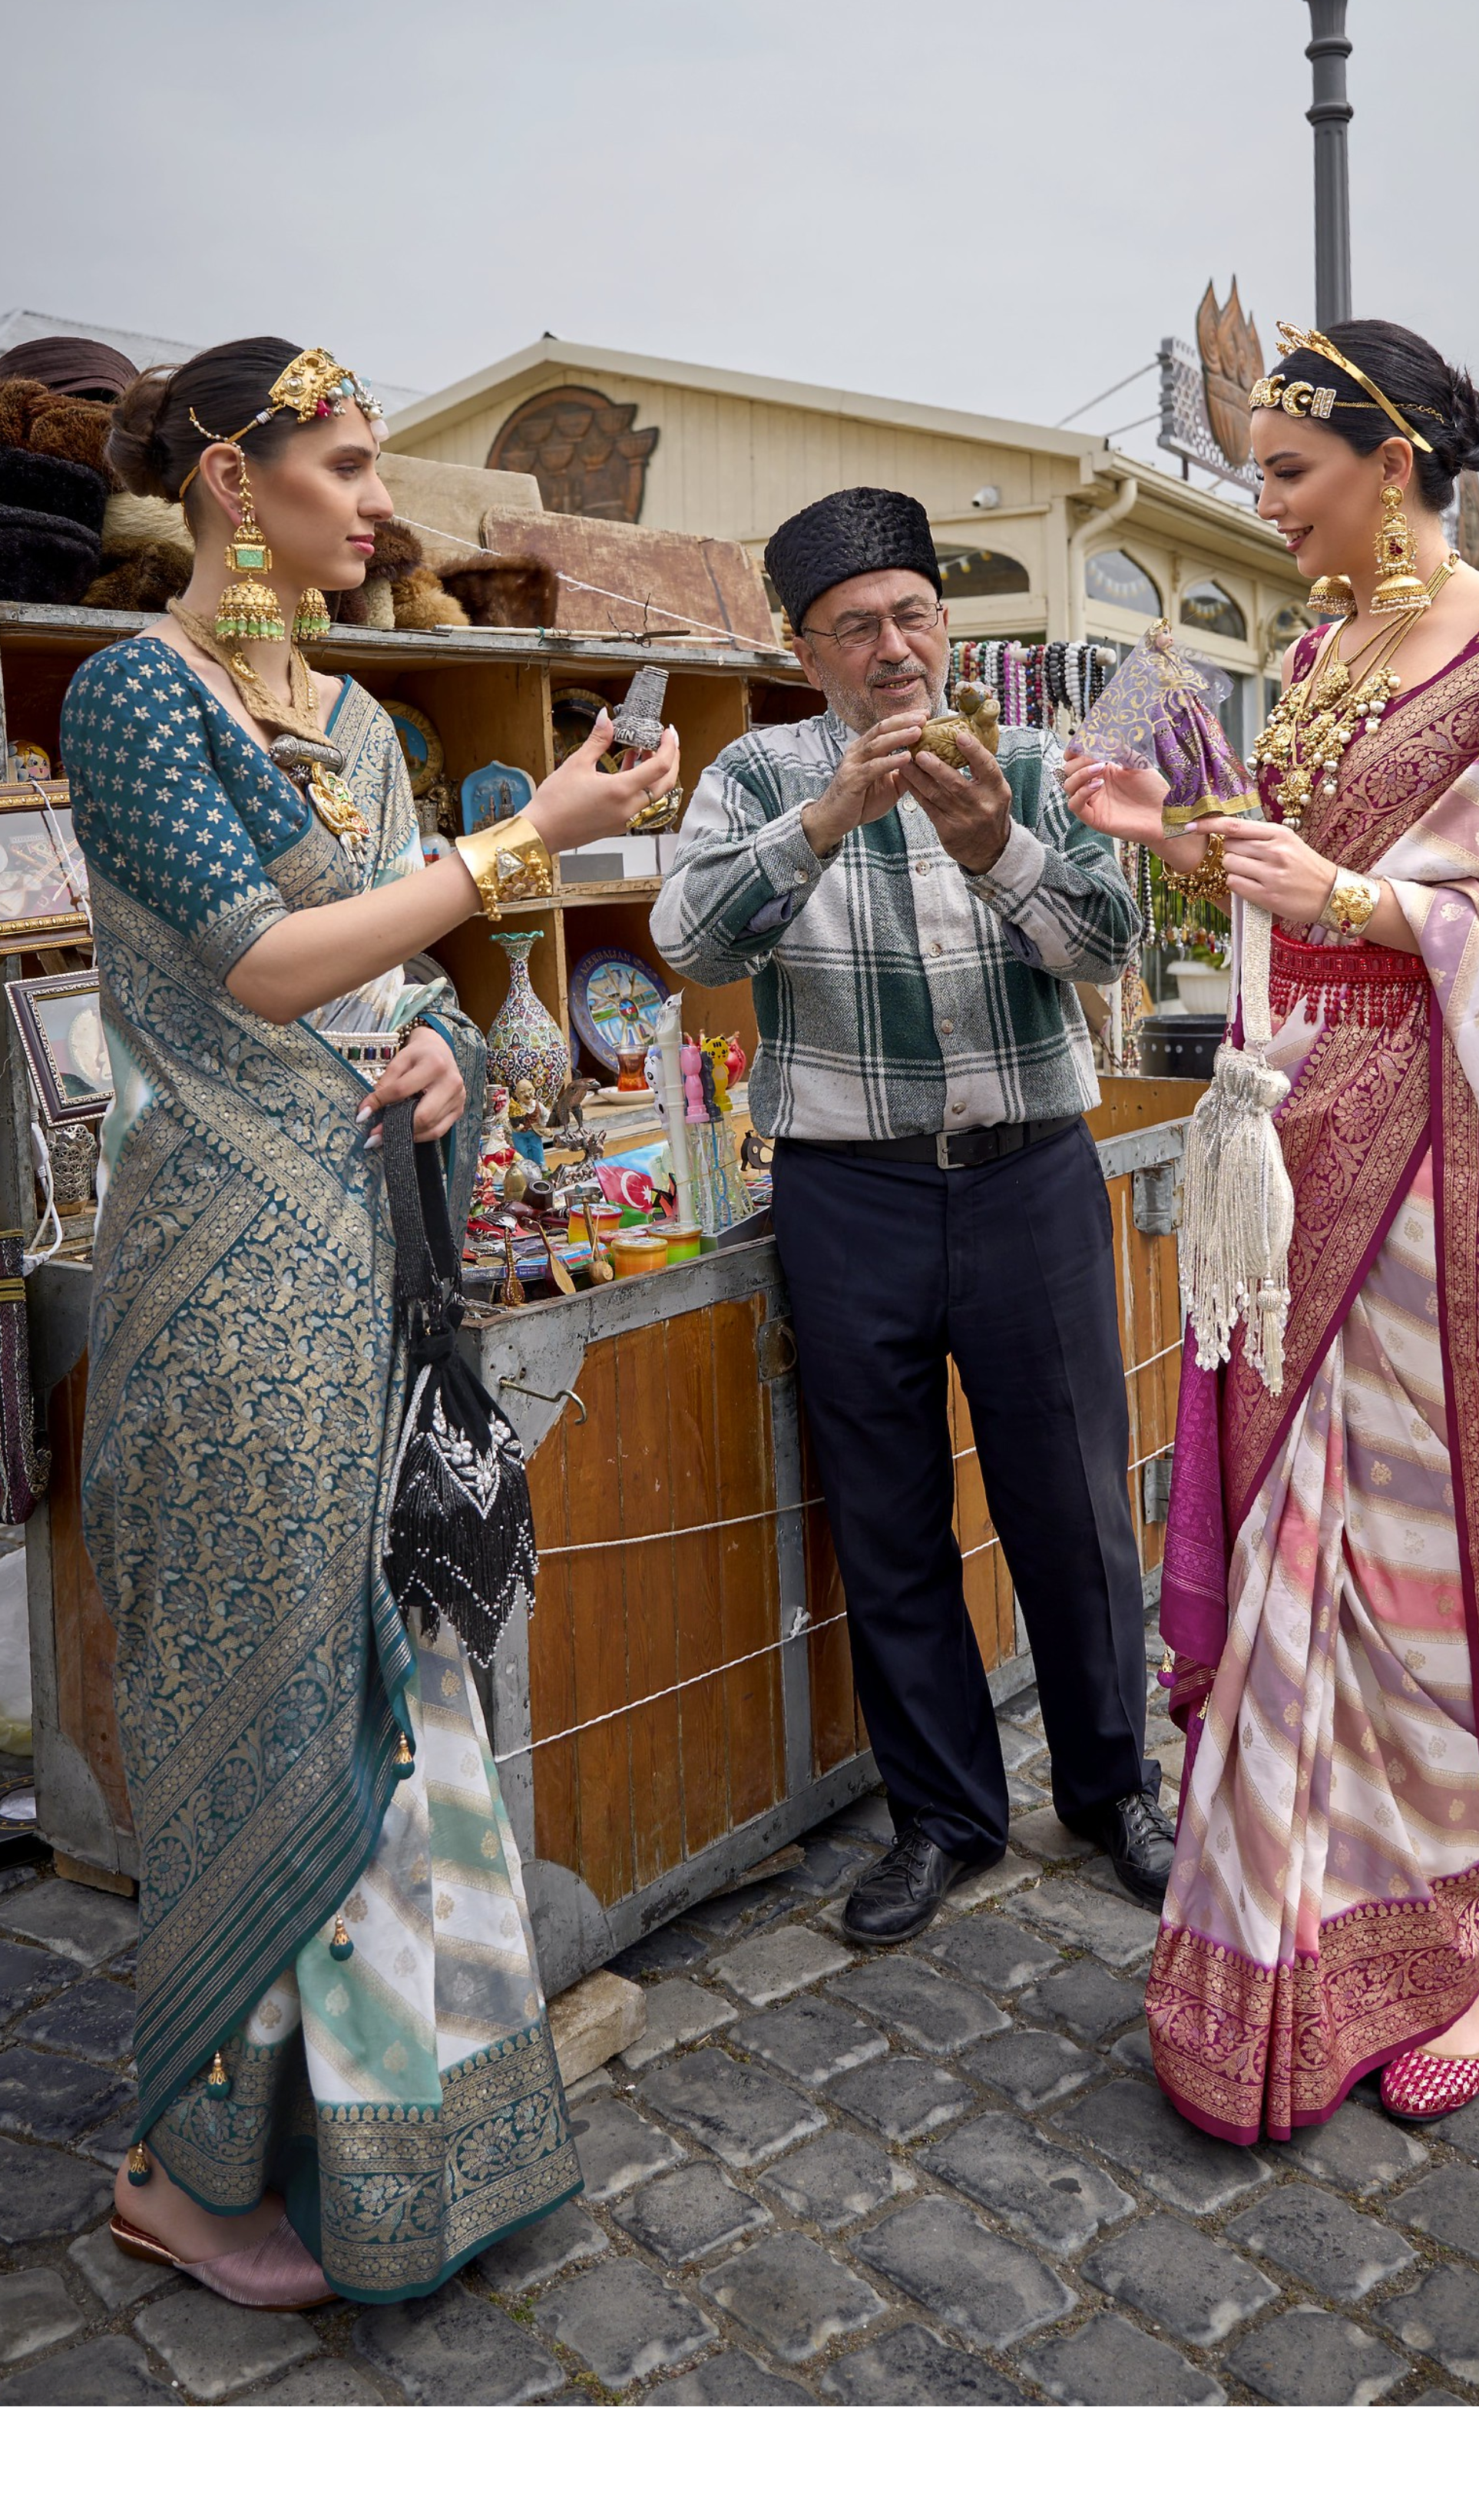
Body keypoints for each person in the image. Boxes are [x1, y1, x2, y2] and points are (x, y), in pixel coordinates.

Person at [59, 337, 678, 2305]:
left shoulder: (359, 720)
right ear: (235, 482)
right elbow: (254, 965)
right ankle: (182, 2163)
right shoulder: (127, 697)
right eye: (342, 465)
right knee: (249, 1716)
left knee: (396, 1718)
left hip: (365, 1276)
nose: (376, 502)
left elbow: (375, 989)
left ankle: (387, 2157)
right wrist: (528, 846)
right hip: (219, 1294)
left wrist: (437, 1059)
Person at [1066, 320, 1479, 2144]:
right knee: (1284, 1550)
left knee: (1407, 1564)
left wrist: (1364, 902)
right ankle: (1276, 1926)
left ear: (1387, 462)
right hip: (1290, 1135)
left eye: (1286, 474)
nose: (1265, 507)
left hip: (1440, 1160)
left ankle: (1451, 1937)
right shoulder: (1313, 649)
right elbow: (1289, 876)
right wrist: (1177, 837)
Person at [650, 486, 1173, 1945]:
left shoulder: (1028, 761)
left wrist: (1000, 845)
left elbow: (1110, 948)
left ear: (946, 623)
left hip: (1030, 1175)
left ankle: (1109, 1785)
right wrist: (827, 821)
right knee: (885, 1520)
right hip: (849, 1192)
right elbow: (688, 939)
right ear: (804, 649)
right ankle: (945, 1817)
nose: (894, 648)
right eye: (856, 627)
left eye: (914, 615)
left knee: (1072, 1508)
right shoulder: (758, 775)